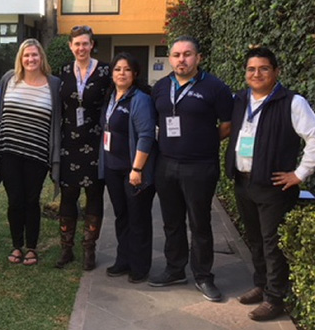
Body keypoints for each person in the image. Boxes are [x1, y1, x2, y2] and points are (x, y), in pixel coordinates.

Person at [226, 47, 315, 321]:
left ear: (276, 72)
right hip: (243, 182)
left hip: (273, 186)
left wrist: (299, 174)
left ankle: (275, 298)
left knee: (272, 244)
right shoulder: (239, 99)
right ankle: (261, 284)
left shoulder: (292, 102)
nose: (256, 73)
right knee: (255, 240)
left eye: (263, 68)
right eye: (251, 69)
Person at [147, 36, 233, 302]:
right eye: (176, 55)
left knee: (200, 223)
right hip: (166, 164)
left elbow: (228, 123)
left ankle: (203, 276)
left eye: (187, 54)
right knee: (172, 222)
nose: (181, 59)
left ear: (198, 58)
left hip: (200, 166)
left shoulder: (215, 87)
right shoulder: (160, 87)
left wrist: (204, 141)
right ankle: (175, 269)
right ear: (170, 58)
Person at [0, 38, 61, 266]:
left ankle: (31, 247)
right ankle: (16, 245)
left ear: (42, 58)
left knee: (31, 200)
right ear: (20, 58)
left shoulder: (53, 84)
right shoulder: (9, 80)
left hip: (37, 154)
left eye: (34, 55)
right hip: (9, 151)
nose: (30, 59)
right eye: (26, 55)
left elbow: (57, 121)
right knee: (14, 200)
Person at [55, 25, 111, 270]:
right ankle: (66, 249)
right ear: (70, 46)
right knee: (68, 195)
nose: (81, 48)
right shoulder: (64, 71)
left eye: (85, 43)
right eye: (76, 44)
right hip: (68, 142)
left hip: (95, 141)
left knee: (94, 195)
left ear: (92, 44)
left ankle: (89, 250)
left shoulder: (105, 71)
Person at [99, 52, 157, 283]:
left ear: (135, 74)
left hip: (133, 170)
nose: (121, 73)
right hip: (113, 168)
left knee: (138, 218)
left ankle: (140, 266)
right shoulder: (112, 97)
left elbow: (146, 135)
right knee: (121, 216)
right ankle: (123, 260)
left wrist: (137, 169)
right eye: (117, 69)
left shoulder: (139, 99)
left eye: (126, 69)